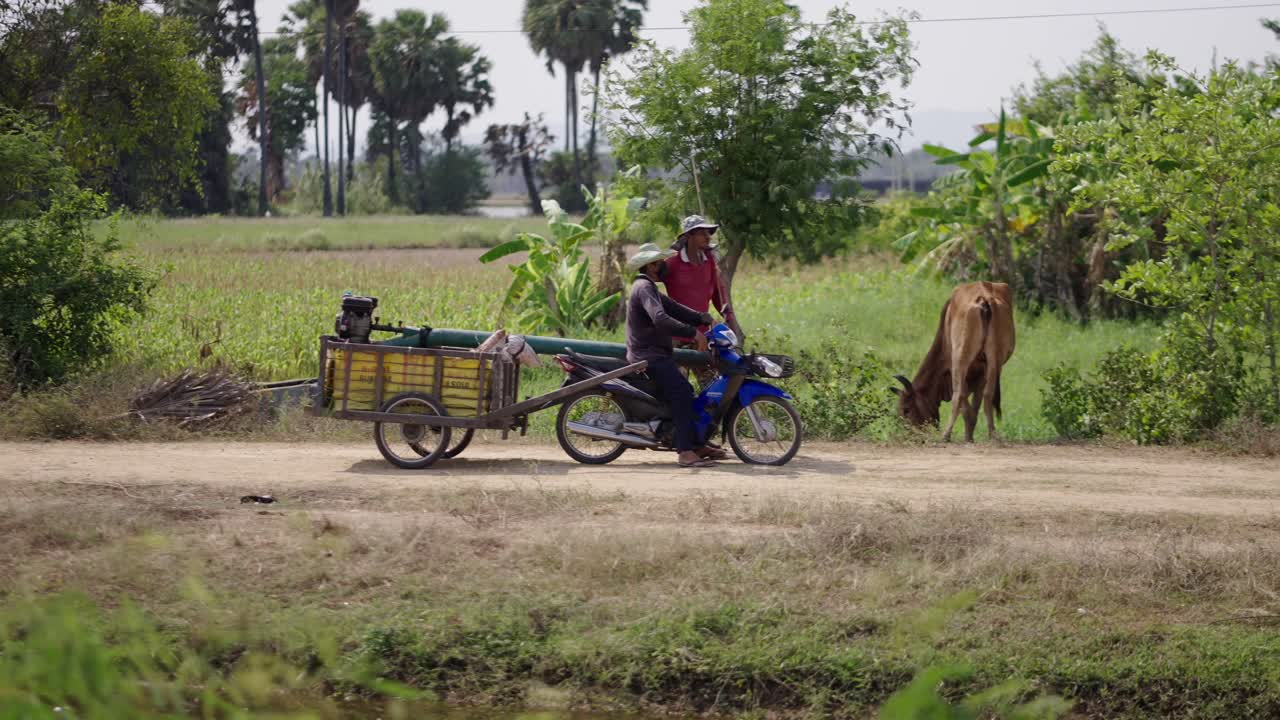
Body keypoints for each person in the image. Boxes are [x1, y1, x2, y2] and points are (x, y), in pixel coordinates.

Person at [625, 243, 728, 468]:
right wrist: (693, 334)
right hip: (649, 357)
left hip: (655, 355)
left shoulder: (650, 288)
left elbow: (676, 309)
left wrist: (703, 318)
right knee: (682, 393)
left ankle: (696, 444)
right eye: (661, 262)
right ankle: (685, 452)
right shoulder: (644, 288)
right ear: (651, 266)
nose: (665, 266)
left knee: (686, 392)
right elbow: (661, 319)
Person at [665, 215, 744, 349]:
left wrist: (733, 325)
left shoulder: (710, 264)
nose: (708, 237)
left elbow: (721, 300)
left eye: (708, 233)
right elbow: (649, 283)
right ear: (689, 236)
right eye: (702, 233)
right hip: (676, 336)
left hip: (703, 336)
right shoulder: (672, 264)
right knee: (677, 370)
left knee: (715, 368)